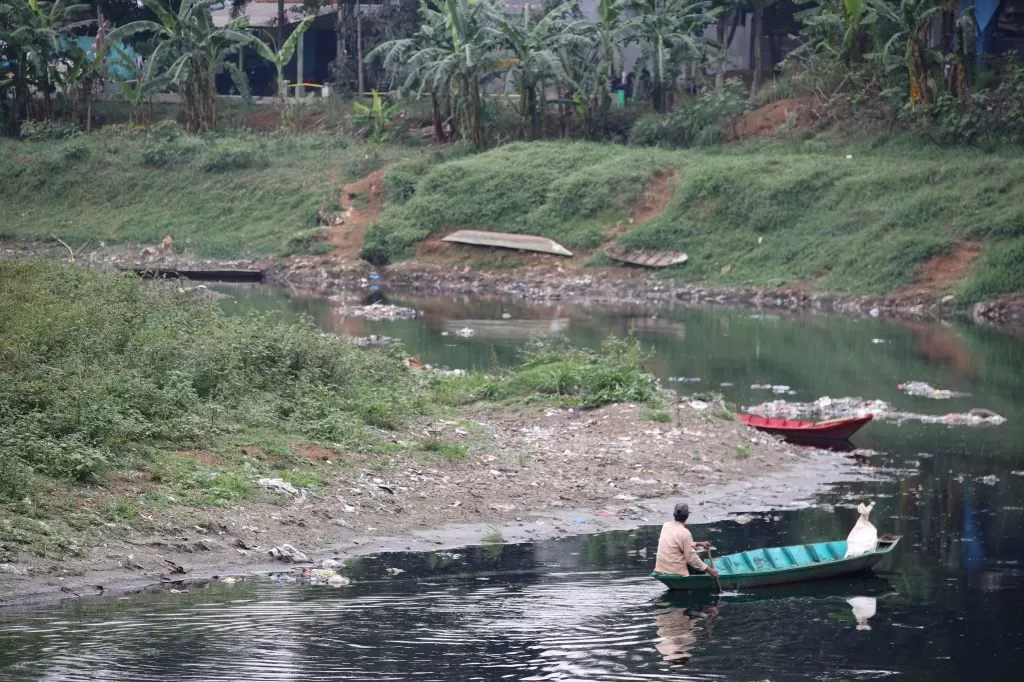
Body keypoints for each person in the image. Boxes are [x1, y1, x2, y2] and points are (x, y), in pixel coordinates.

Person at [654, 503, 719, 578]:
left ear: (673, 514)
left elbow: (678, 542)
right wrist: (710, 570)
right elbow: (691, 558)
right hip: (676, 571)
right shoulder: (685, 533)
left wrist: (699, 544)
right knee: (698, 559)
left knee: (695, 558)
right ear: (687, 516)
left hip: (661, 568)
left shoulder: (666, 526)